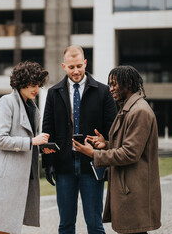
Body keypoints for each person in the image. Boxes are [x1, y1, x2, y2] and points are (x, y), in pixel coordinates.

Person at [73, 65, 162, 234]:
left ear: (128, 83)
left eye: (114, 84)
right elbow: (128, 145)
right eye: (109, 84)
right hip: (128, 186)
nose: (110, 88)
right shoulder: (127, 109)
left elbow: (130, 153)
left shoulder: (139, 111)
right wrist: (106, 144)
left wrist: (94, 154)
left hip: (135, 189)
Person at [42, 45, 117, 234]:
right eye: (71, 67)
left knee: (95, 224)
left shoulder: (103, 92)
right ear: (63, 66)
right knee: (66, 225)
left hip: (92, 165)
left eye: (78, 66)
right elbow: (47, 130)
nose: (75, 71)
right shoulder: (53, 93)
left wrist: (105, 151)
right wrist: (48, 163)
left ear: (85, 63)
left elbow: (113, 130)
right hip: (63, 166)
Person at [0, 61, 50, 234]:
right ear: (21, 83)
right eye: (33, 85)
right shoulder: (6, 102)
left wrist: (41, 147)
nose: (36, 89)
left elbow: (27, 140)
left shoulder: (31, 107)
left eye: (38, 85)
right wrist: (32, 142)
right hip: (4, 177)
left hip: (14, 176)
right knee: (2, 225)